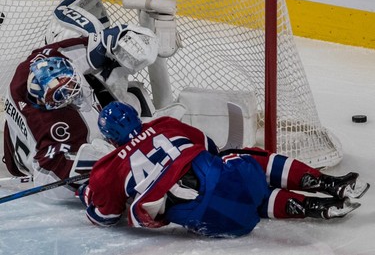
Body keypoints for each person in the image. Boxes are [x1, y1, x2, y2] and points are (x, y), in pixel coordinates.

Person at [78, 101, 370, 237]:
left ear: (110, 139)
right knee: (239, 160)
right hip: (228, 180)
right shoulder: (165, 125)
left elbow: (104, 217)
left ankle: (314, 208)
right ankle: (326, 184)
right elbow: (210, 147)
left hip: (216, 224)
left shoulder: (105, 169)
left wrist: (87, 193)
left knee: (234, 198)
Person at [2, 0, 159, 200]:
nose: (72, 96)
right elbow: (49, 177)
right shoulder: (51, 126)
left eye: (72, 85)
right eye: (61, 96)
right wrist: (97, 173)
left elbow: (100, 44)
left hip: (37, 141)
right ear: (45, 103)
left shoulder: (44, 60)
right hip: (29, 162)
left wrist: (121, 39)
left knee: (132, 92)